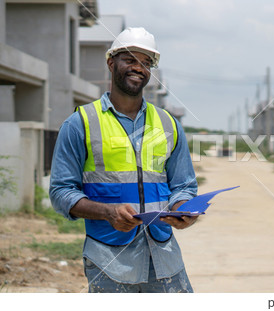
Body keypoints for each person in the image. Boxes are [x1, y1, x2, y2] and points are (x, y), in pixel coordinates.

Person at [49, 27, 198, 293]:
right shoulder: (80, 123)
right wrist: (107, 212)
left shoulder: (168, 124)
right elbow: (61, 192)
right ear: (111, 62)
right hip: (109, 261)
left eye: (146, 63)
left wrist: (184, 207)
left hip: (165, 258)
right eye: (130, 59)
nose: (139, 67)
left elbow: (183, 185)